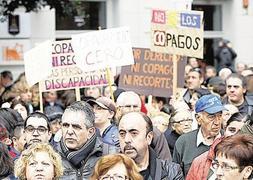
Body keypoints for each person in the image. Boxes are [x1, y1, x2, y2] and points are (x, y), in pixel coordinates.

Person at [54, 101, 118, 179]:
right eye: (65, 125)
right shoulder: (52, 156)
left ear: (90, 132)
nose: (69, 132)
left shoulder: (111, 154)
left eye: (76, 127)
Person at [118, 112, 184, 180]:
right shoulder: (109, 171)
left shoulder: (171, 172)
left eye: (134, 133)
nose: (127, 140)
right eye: (122, 134)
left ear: (149, 137)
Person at [173, 94, 225, 176]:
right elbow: (175, 175)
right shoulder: (183, 142)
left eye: (220, 116)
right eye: (211, 117)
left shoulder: (229, 140)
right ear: (198, 118)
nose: (217, 122)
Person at [116, 91, 172, 160]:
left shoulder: (154, 133)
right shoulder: (111, 132)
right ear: (118, 109)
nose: (132, 110)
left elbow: (165, 163)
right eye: (128, 106)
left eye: (135, 106)